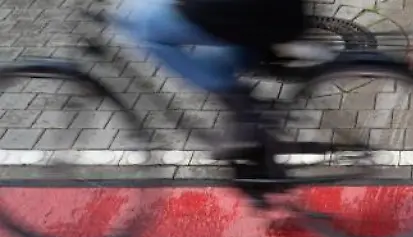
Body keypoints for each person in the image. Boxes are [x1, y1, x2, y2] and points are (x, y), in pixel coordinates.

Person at [114, 0, 306, 158]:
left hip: (255, 15)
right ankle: (242, 72)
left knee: (147, 27)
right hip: (281, 13)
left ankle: (241, 109)